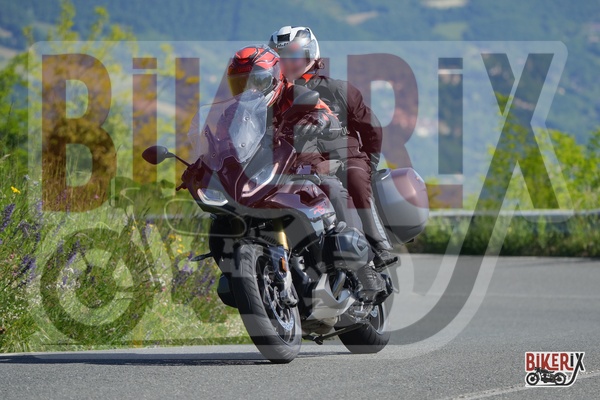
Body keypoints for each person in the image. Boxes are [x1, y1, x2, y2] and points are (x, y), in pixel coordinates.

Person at [195, 44, 389, 303]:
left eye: (255, 82)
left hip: (298, 164)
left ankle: (364, 268)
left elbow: (325, 113)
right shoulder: (232, 113)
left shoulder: (295, 93)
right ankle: (239, 276)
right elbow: (220, 143)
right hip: (260, 173)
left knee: (330, 188)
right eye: (240, 84)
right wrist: (202, 164)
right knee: (220, 218)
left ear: (273, 78)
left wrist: (321, 120)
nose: (249, 91)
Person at [268, 26, 398, 272]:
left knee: (355, 179)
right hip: (303, 166)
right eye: (280, 58)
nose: (287, 64)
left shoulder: (338, 90)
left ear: (310, 54)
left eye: (294, 56)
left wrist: (368, 165)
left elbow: (372, 129)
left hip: (346, 158)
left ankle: (376, 248)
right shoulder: (274, 99)